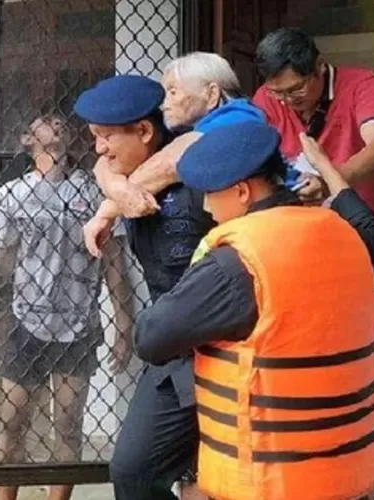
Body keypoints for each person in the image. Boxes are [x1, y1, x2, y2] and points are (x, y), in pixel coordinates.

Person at [134, 121, 374, 500]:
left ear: (241, 191)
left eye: (210, 195)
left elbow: (151, 338)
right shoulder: (347, 234)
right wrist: (329, 172)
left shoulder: (239, 260)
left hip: (273, 480)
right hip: (349, 470)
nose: (206, 207)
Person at [75, 66, 264, 500]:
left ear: (144, 130)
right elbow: (104, 165)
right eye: (95, 137)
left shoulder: (205, 172)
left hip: (234, 352)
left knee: (227, 481)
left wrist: (112, 197)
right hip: (173, 351)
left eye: (105, 136)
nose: (99, 149)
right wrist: (115, 190)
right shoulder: (123, 173)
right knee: (133, 470)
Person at [0, 113, 135, 500]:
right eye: (46, 121)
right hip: (26, 321)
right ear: (28, 138)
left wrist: (124, 326)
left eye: (62, 120)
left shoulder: (94, 191)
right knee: (10, 424)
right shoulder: (13, 194)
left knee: (69, 425)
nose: (57, 124)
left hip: (79, 324)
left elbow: (114, 262)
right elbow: (3, 260)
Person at [253, 27, 374, 422]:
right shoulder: (266, 101)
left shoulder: (364, 84)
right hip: (307, 245)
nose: (287, 102)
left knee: (370, 350)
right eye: (278, 94)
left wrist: (328, 182)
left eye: (295, 90)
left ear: (319, 68)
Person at [83, 52, 266, 257]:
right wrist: (117, 188)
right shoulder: (184, 129)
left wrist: (109, 208)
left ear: (212, 94)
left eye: (173, 92)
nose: (165, 103)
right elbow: (104, 163)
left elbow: (170, 162)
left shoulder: (239, 120)